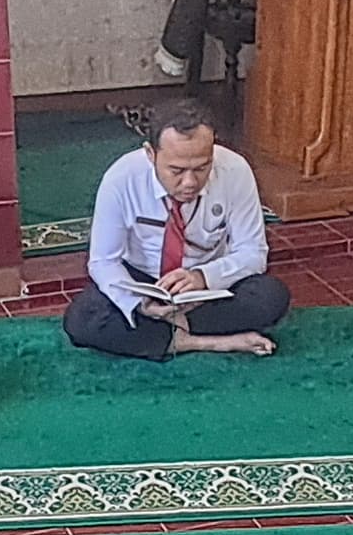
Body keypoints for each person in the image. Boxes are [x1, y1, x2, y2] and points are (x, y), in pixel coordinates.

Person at [62, 97, 293, 361]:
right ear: (151, 154)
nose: (190, 182)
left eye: (202, 168)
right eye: (176, 170)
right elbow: (103, 262)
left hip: (206, 288)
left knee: (270, 297)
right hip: (144, 283)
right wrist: (139, 304)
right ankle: (203, 341)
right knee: (83, 319)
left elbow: (253, 252)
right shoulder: (122, 178)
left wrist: (203, 278)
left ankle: (162, 335)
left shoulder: (234, 170)